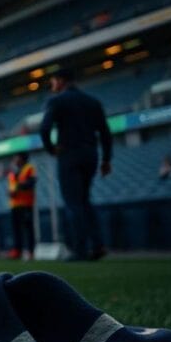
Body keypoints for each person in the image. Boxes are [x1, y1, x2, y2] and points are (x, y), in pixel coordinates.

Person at [39, 68, 112, 261]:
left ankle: (80, 250)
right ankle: (98, 244)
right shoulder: (93, 101)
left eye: (53, 81)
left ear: (61, 81)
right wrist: (106, 159)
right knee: (85, 200)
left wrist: (51, 149)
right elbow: (105, 132)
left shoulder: (57, 101)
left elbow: (44, 128)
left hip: (69, 154)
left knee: (73, 203)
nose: (52, 85)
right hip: (91, 154)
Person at [7, 153, 37, 260]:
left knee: (28, 228)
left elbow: (31, 182)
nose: (15, 160)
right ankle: (17, 250)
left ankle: (30, 251)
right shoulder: (13, 172)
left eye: (17, 157)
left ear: (22, 158)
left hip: (26, 203)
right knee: (16, 229)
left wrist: (19, 186)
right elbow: (11, 186)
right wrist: (10, 192)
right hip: (14, 204)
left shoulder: (29, 168)